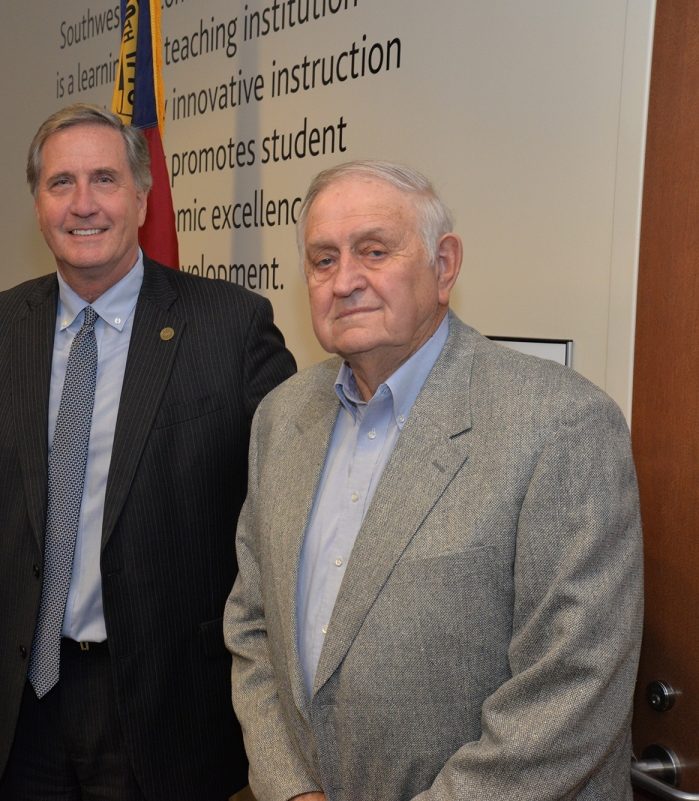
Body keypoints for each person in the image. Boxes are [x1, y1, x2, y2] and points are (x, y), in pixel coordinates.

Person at [224, 160, 644, 801]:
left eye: (374, 251)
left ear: (443, 267)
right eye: (323, 260)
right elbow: (253, 628)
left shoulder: (560, 423)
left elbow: (573, 683)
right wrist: (290, 788)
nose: (345, 282)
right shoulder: (280, 419)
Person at [0, 104, 296, 801]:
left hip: (167, 713)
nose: (84, 203)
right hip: (24, 706)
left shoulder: (230, 325)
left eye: (105, 178)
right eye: (61, 183)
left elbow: (286, 511)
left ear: (142, 194)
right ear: (37, 202)